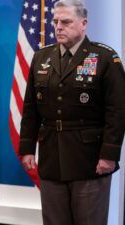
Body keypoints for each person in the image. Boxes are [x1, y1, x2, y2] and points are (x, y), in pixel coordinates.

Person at [19, 0, 125, 225]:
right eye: (55, 21)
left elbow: (117, 111)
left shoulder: (105, 58)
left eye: (66, 22)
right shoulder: (42, 57)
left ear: (83, 23)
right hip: (51, 155)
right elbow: (30, 108)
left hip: (88, 158)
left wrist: (109, 154)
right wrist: (27, 148)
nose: (58, 27)